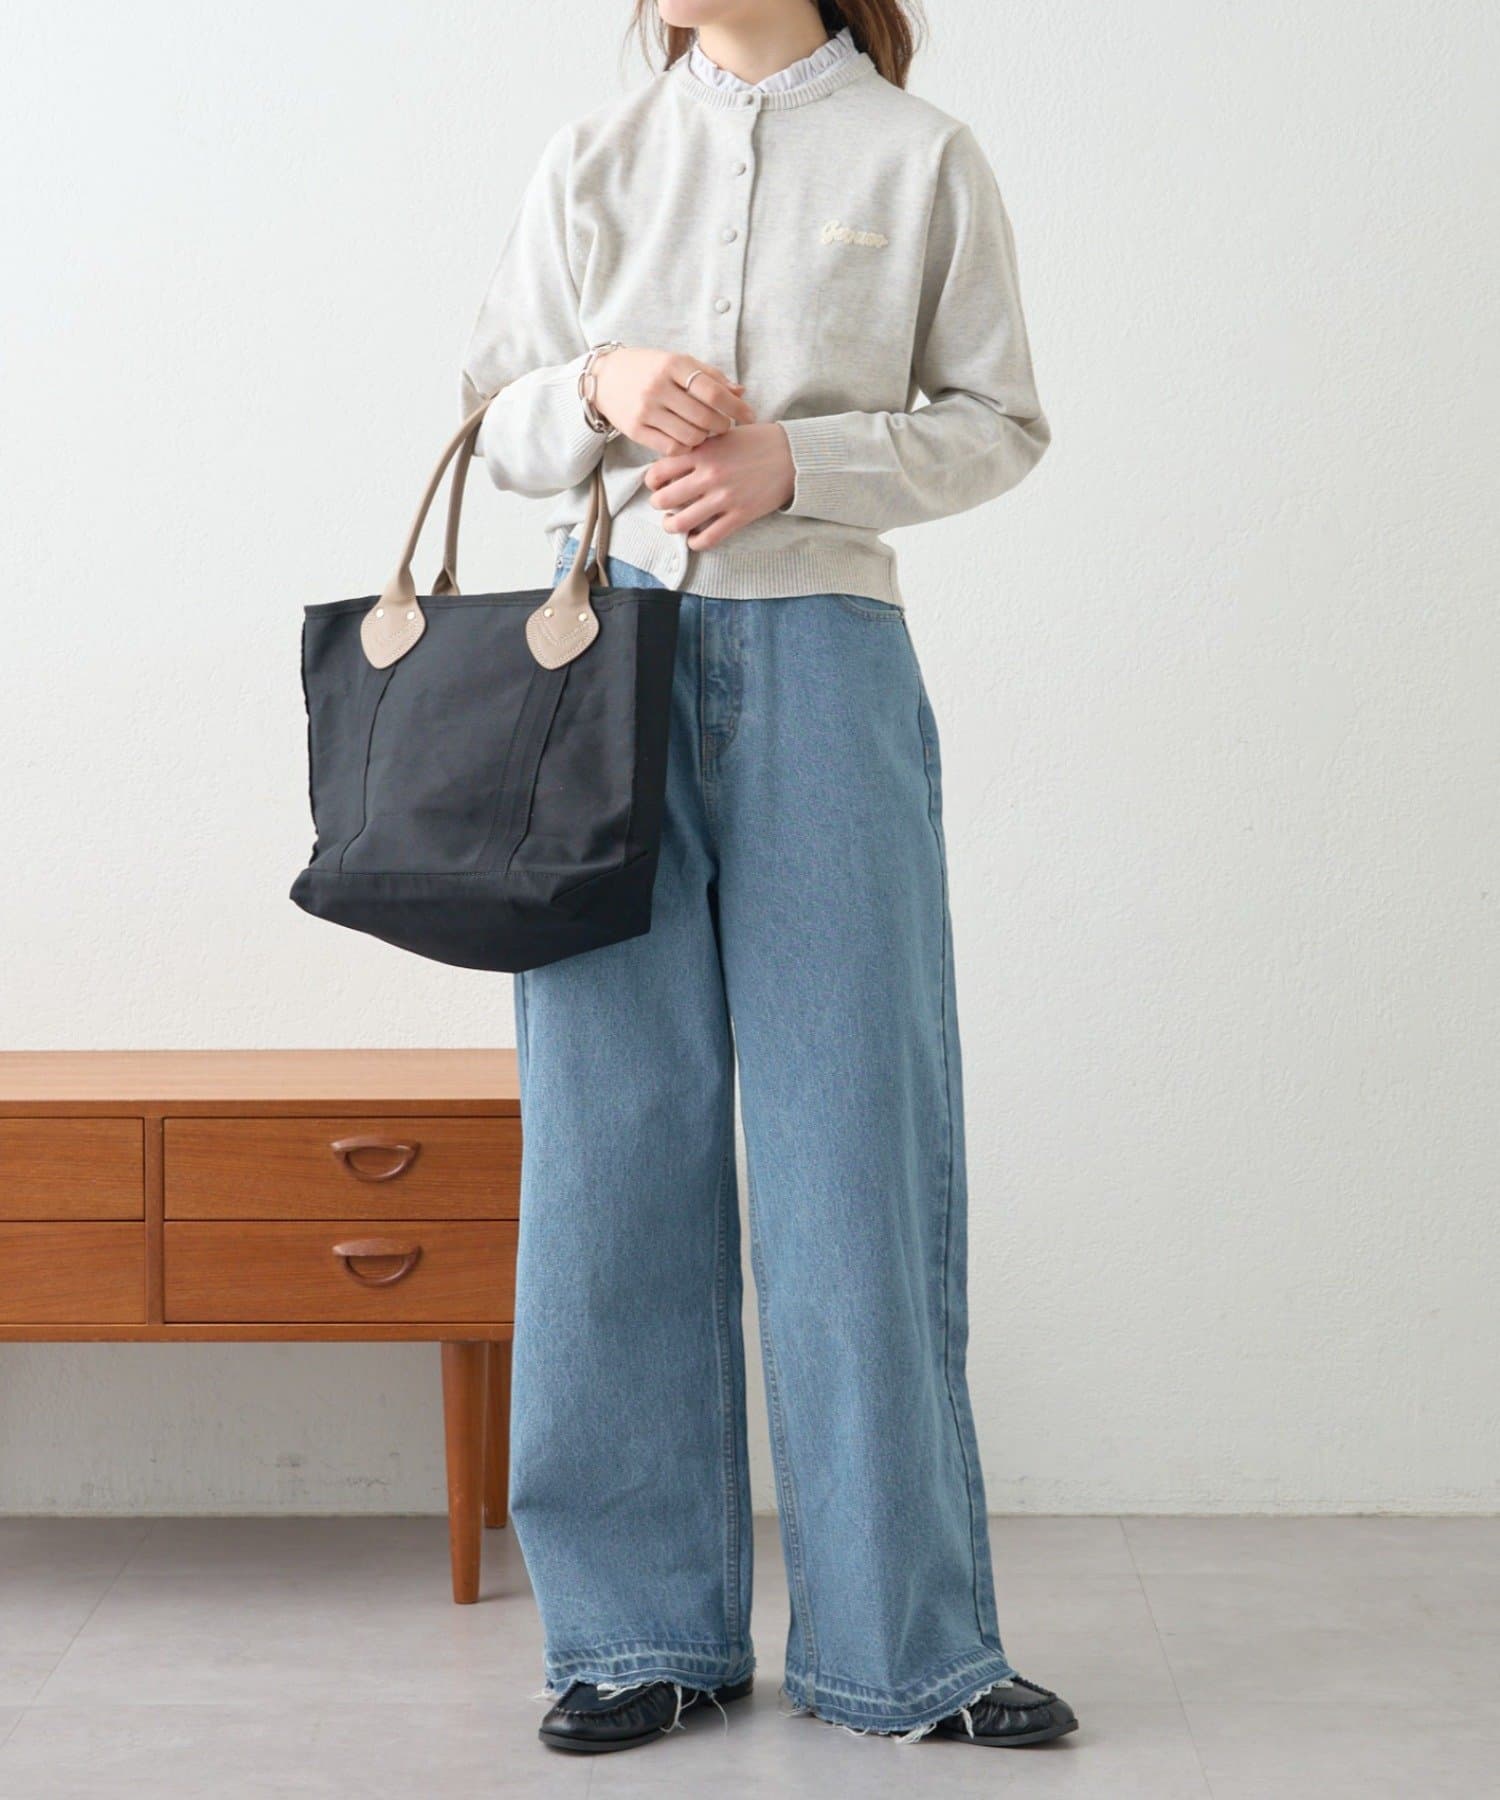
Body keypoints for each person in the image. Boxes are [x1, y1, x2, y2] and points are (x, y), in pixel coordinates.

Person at [461, 0, 1075, 1755]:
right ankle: (634, 1635)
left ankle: (907, 1649)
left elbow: (1001, 421)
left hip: (826, 661)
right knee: (609, 1149)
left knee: (857, 1146)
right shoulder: (595, 159)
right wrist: (596, 382)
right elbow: (492, 421)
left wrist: (803, 457)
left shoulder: (918, 156)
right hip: (600, 674)